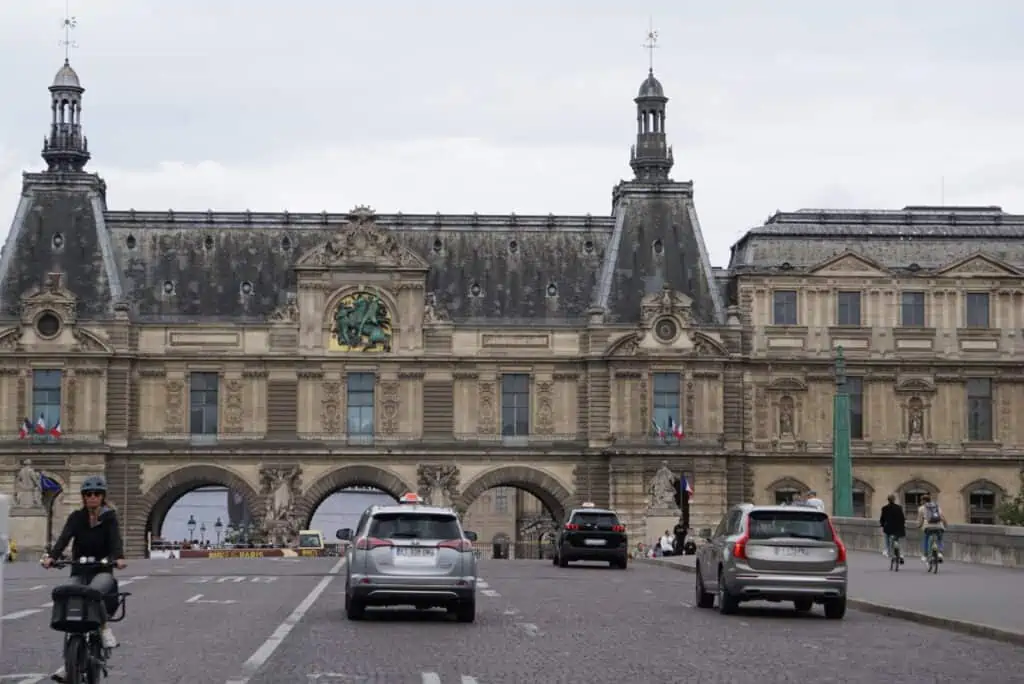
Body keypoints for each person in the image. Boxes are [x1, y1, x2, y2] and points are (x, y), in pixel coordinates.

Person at [41, 475, 126, 683]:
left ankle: (104, 629)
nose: (92, 497)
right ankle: (68, 662)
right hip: (79, 570)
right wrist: (52, 557)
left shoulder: (109, 517)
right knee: (66, 593)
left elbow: (115, 541)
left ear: (103, 496)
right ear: (83, 497)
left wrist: (119, 557)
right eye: (88, 494)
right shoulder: (76, 517)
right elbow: (64, 538)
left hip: (103, 569)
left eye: (97, 494)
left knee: (96, 591)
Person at [916, 494, 946, 563]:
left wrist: (919, 526)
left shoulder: (921, 508)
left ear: (924, 501)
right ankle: (940, 553)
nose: (921, 502)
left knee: (926, 538)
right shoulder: (936, 506)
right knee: (940, 538)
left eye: (921, 500)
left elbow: (920, 521)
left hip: (928, 527)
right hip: (939, 526)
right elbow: (942, 517)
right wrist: (944, 525)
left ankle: (925, 555)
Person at [878, 494, 906, 561]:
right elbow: (902, 518)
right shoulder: (899, 507)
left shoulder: (884, 508)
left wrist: (882, 524)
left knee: (886, 536)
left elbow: (882, 519)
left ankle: (887, 550)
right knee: (898, 540)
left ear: (888, 500)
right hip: (899, 528)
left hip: (889, 528)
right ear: (894, 499)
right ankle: (901, 554)